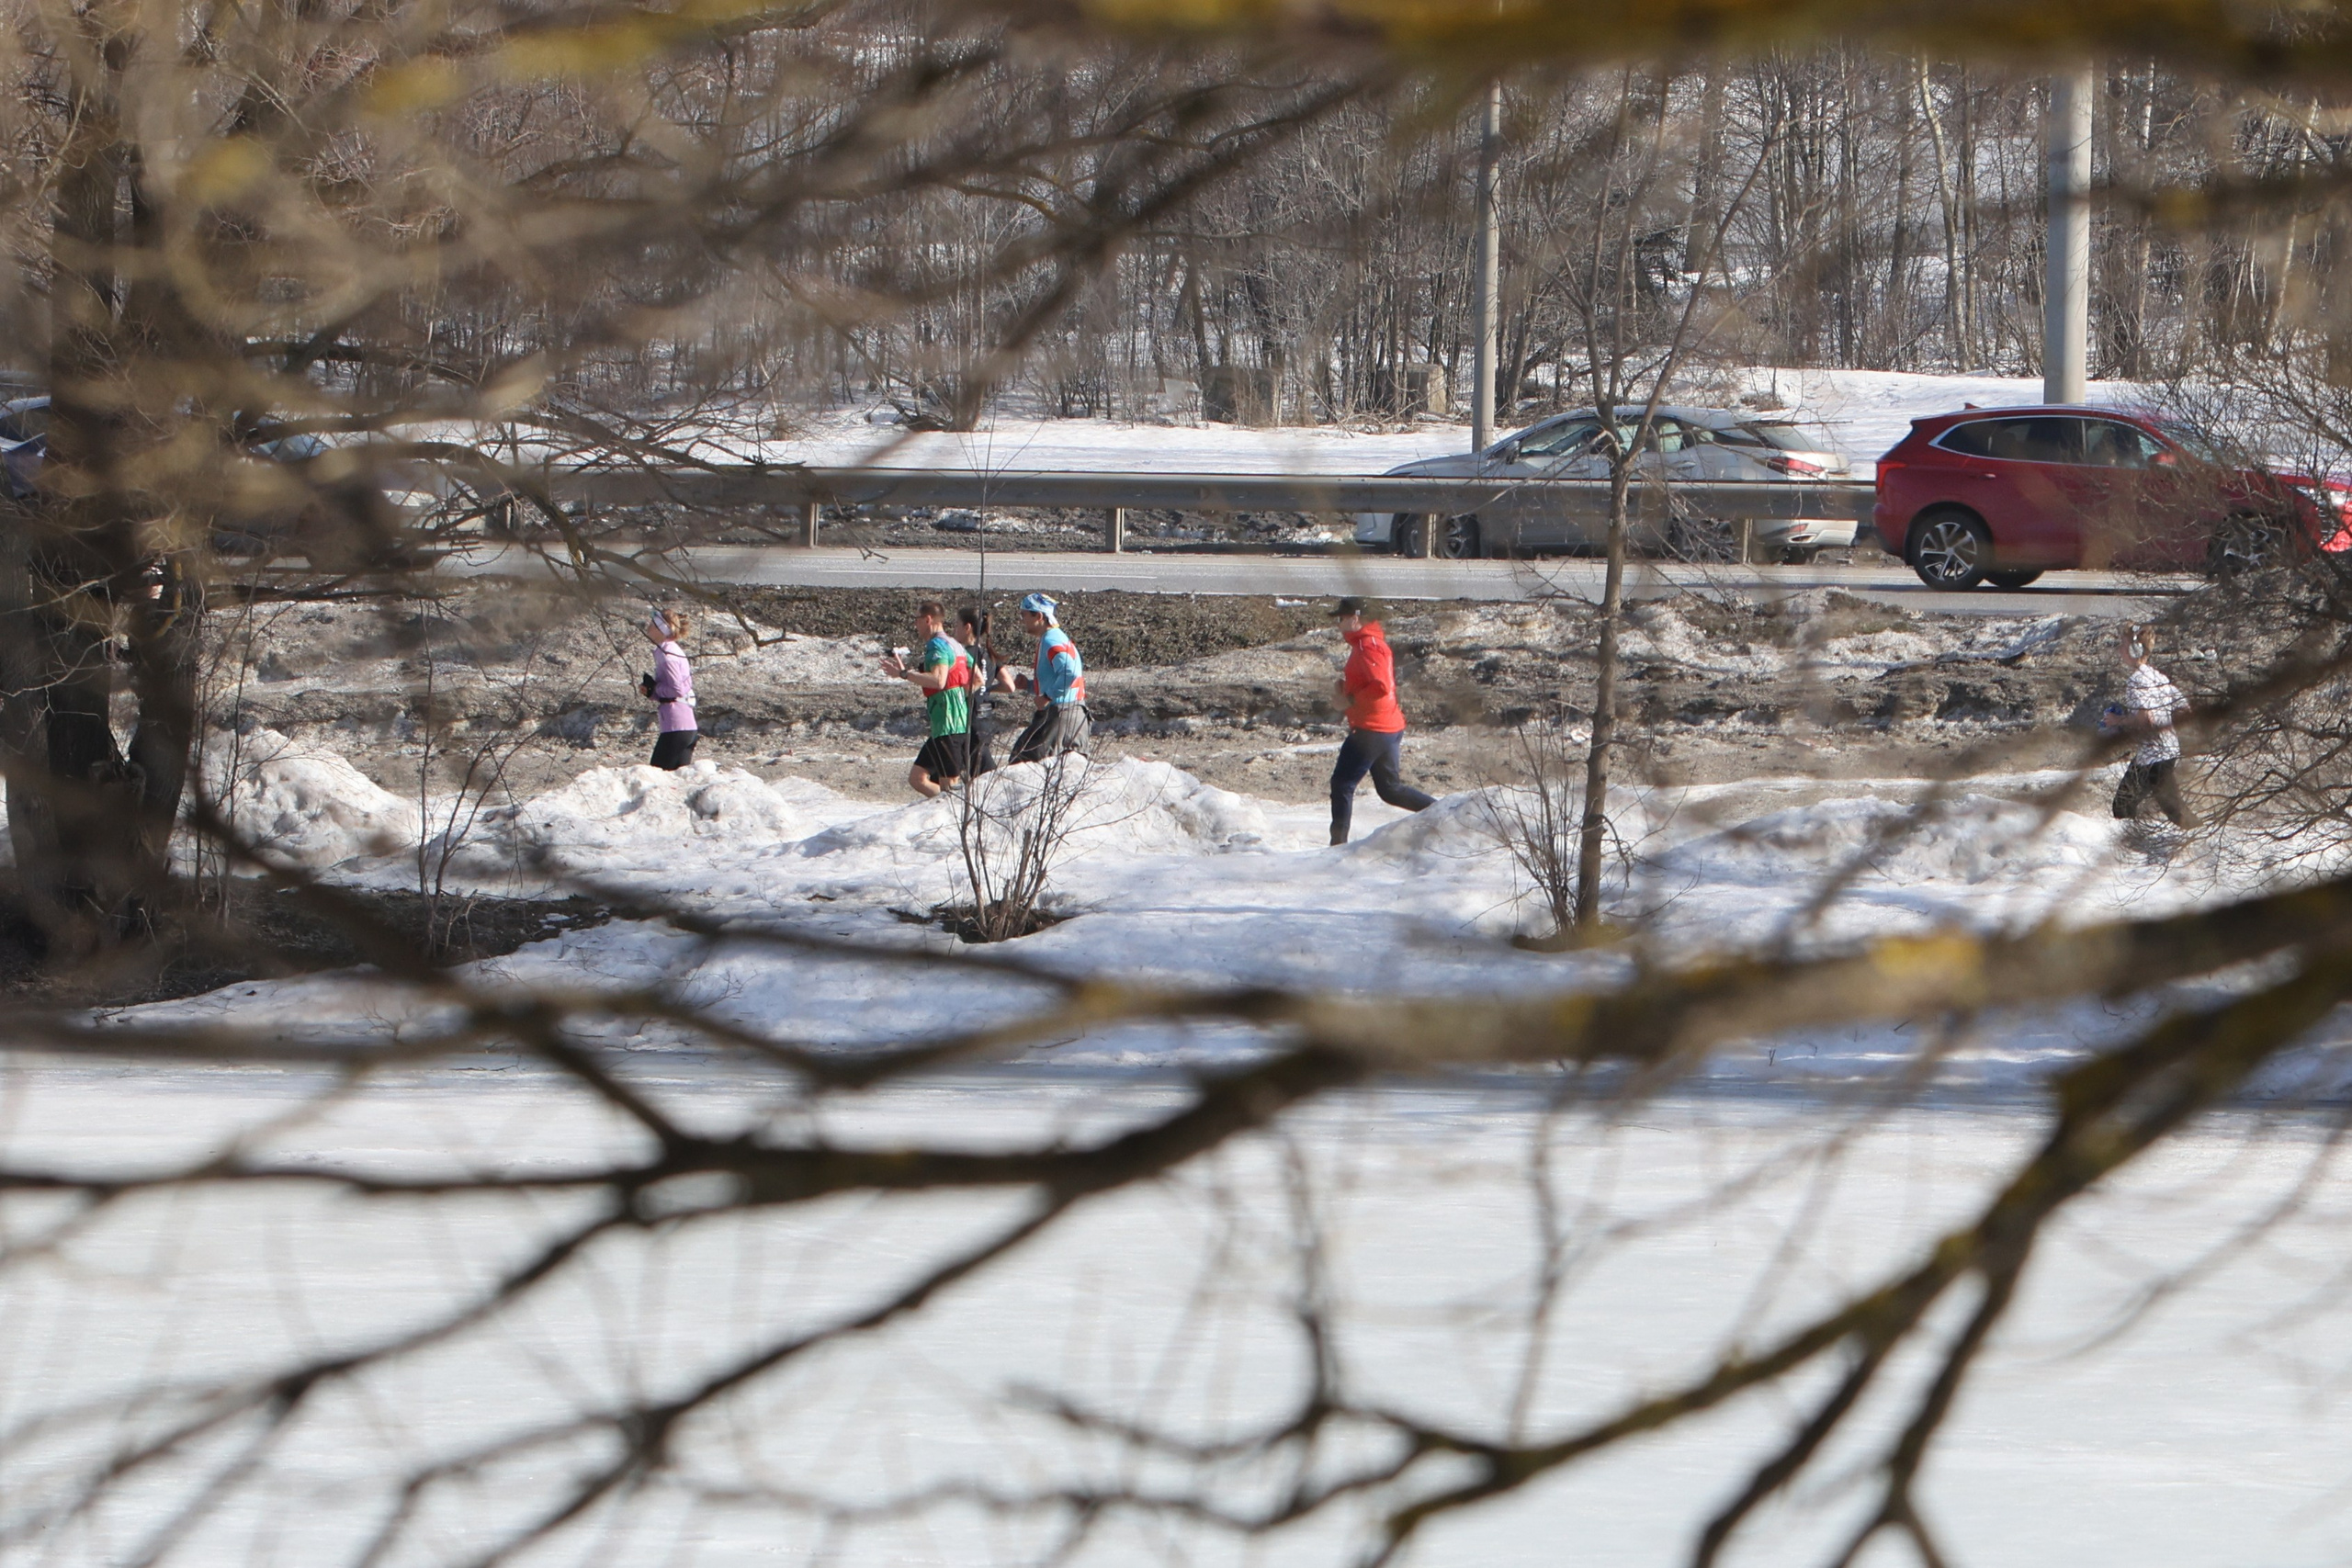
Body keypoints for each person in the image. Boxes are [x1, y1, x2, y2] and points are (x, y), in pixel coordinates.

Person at [1327, 596, 1434, 845]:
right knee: (1390, 790)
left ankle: (1336, 848)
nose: (1338, 624)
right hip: (1386, 727)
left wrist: (1349, 700)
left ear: (1355, 618)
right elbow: (1372, 682)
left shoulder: (1368, 646)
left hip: (1372, 729)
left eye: (1341, 619)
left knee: (1342, 783)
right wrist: (1346, 688)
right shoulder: (1367, 644)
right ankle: (1444, 814)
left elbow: (1382, 686)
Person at [2104, 621, 2198, 827]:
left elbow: (2145, 720)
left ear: (2135, 649)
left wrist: (2117, 721)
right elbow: (2184, 709)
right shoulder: (2158, 676)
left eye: (2123, 644)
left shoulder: (2136, 681)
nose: (2119, 649)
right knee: (2169, 805)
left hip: (2153, 756)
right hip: (2167, 750)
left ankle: (2132, 847)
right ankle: (2195, 836)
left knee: (2124, 806)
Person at [881, 601, 973, 797]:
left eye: (917, 620)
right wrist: (960, 696)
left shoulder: (937, 645)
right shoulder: (955, 644)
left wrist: (904, 674)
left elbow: (939, 681)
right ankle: (943, 808)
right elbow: (978, 678)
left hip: (948, 723)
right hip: (949, 722)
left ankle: (956, 812)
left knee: (950, 786)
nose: (916, 625)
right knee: (917, 777)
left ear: (928, 619)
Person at [1000, 592, 1091, 763]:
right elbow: (1060, 676)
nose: (1022, 620)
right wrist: (1029, 685)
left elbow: (1070, 672)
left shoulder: (1051, 641)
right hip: (1074, 712)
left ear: (1039, 616)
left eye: (1024, 615)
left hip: (1061, 715)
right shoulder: (1056, 637)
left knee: (1023, 763)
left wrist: (1047, 696)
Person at [639, 608, 698, 770]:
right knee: (677, 782)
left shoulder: (667, 654)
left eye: (652, 623)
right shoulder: (669, 650)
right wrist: (652, 693)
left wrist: (655, 689)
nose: (648, 626)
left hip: (676, 726)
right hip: (684, 726)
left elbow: (676, 689)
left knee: (657, 776)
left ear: (661, 628)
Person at [955, 605, 1001, 777]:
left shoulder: (963, 654)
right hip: (985, 717)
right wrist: (986, 689)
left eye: (956, 625)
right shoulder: (989, 654)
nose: (954, 631)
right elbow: (1009, 685)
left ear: (967, 628)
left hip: (969, 716)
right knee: (978, 770)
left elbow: (970, 681)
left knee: (983, 773)